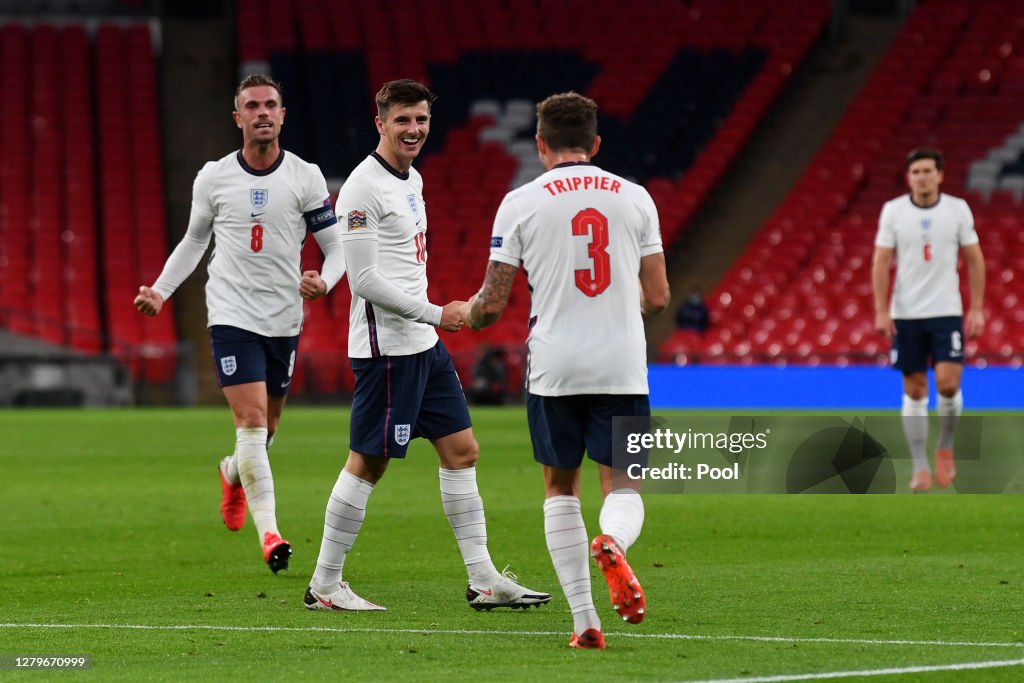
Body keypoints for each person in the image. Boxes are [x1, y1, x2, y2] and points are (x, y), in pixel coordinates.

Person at [303, 79, 549, 612]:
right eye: (402, 121)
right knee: (369, 463)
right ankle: (324, 585)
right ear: (380, 124)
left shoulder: (410, 179)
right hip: (387, 349)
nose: (413, 130)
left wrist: (432, 325)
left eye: (421, 119)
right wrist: (439, 313)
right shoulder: (363, 188)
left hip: (423, 344)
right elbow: (364, 280)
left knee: (462, 451)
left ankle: (483, 578)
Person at [465, 92, 671, 649]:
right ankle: (613, 543)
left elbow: (491, 304)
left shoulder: (520, 202)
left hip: (554, 365)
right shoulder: (635, 198)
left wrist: (461, 315)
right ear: (596, 143)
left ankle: (585, 624)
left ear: (540, 144)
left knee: (561, 488)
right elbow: (657, 296)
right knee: (622, 483)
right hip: (621, 363)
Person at [134, 74, 345, 573]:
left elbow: (337, 248)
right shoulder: (213, 177)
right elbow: (193, 242)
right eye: (253, 106)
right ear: (238, 118)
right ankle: (270, 534)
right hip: (231, 313)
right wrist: (161, 292)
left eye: (271, 104)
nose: (263, 112)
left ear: (283, 114)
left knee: (265, 432)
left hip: (284, 318)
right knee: (251, 424)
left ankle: (232, 473)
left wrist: (327, 281)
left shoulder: (305, 176)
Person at [872, 147, 985, 492]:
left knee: (948, 383)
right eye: (916, 171)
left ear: (940, 175)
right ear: (908, 177)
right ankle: (920, 467)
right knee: (914, 388)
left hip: (946, 311)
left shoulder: (957, 209)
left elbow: (975, 260)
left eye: (927, 171)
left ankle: (945, 447)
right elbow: (880, 261)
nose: (922, 176)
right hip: (907, 314)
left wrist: (976, 307)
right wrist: (881, 309)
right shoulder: (893, 211)